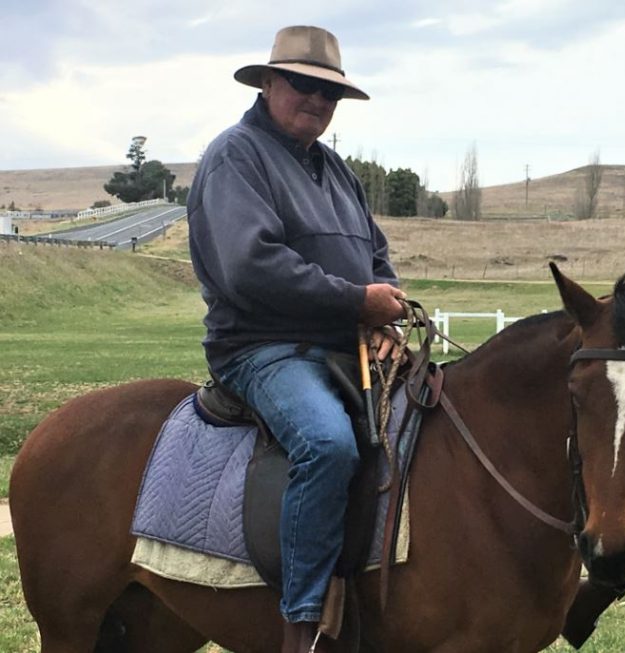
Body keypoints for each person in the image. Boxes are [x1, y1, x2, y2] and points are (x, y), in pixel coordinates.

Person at [186, 25, 404, 653]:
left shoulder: (334, 168)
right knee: (329, 444)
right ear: (269, 83)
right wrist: (354, 301)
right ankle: (304, 623)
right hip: (264, 348)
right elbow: (249, 266)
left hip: (345, 343)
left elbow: (376, 256)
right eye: (303, 85)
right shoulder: (236, 156)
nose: (316, 100)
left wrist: (380, 310)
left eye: (328, 92)